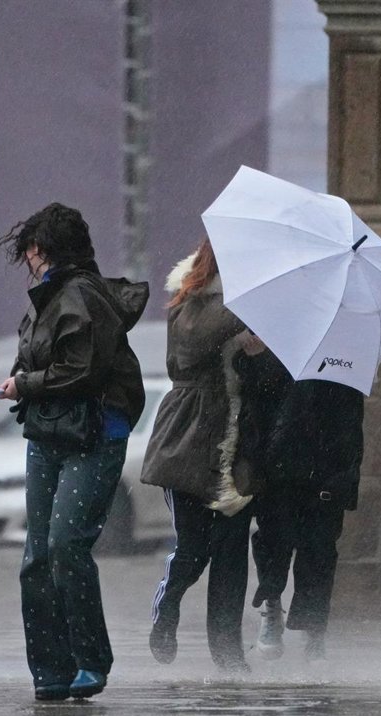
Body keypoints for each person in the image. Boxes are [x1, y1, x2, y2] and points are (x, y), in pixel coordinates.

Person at [0, 203, 148, 701]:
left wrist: (26, 384)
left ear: (42, 249)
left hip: (94, 435)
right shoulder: (45, 299)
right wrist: (20, 377)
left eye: (30, 250)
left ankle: (90, 660)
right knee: (37, 556)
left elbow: (82, 370)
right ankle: (50, 671)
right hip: (48, 434)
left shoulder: (82, 296)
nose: (27, 258)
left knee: (65, 544)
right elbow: (35, 358)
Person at [139, 238, 264, 673]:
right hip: (189, 437)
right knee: (193, 548)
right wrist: (246, 313)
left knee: (231, 553)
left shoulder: (252, 308)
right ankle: (167, 606)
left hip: (236, 444)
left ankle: (229, 655)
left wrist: (257, 353)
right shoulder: (190, 297)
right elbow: (195, 341)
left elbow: (266, 380)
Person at [248, 377, 365, 661]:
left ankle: (314, 630)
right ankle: (272, 607)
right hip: (280, 469)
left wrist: (343, 479)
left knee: (319, 552)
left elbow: (350, 429)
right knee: (273, 543)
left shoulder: (343, 371)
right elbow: (257, 407)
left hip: (326, 470)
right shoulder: (277, 362)